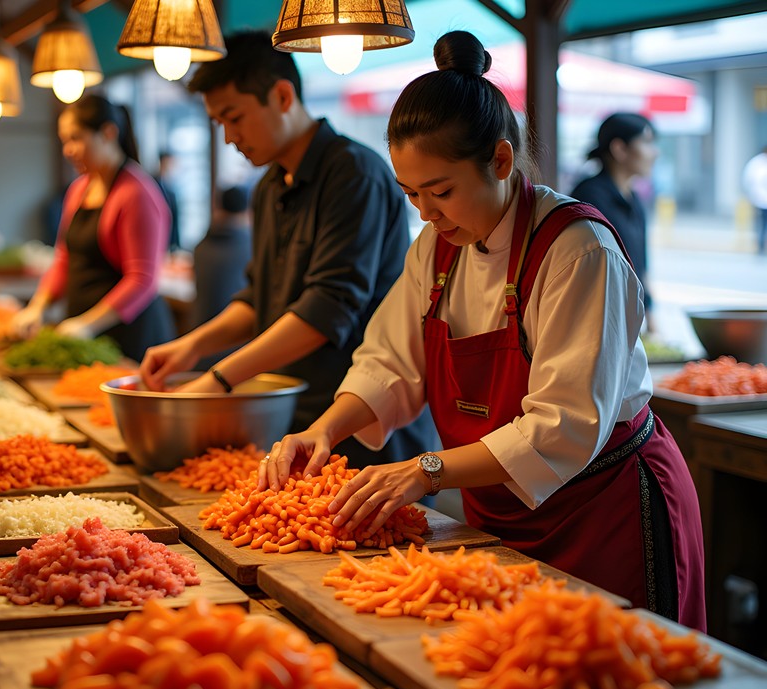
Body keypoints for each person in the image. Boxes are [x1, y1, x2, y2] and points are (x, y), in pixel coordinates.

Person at [260, 31, 706, 631]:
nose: (425, 212)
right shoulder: (437, 246)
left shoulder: (578, 250)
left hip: (604, 510)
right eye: (411, 193)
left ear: (500, 161)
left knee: (617, 678)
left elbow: (565, 424)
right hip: (503, 515)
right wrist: (322, 430)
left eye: (440, 191)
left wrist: (424, 470)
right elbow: (389, 362)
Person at [140, 30, 434, 469]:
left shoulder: (353, 174)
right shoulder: (269, 186)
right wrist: (191, 347)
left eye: (233, 117)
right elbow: (260, 298)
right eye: (219, 123)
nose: (228, 138)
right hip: (292, 411)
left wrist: (219, 378)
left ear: (281, 96)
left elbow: (327, 308)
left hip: (361, 418)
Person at [11, 94, 175, 362]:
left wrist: (88, 324)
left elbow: (142, 280)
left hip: (128, 338)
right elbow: (64, 258)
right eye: (64, 141)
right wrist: (37, 307)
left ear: (108, 133)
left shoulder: (137, 193)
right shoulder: (79, 189)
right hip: (84, 333)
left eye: (75, 138)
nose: (67, 150)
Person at [570, 113, 659, 332]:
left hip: (625, 320)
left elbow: (640, 266)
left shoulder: (634, 199)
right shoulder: (589, 195)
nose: (655, 153)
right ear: (619, 149)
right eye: (647, 142)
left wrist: (652, 322)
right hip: (595, 322)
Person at [192, 185, 251, 326]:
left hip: (199, 327)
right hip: (234, 333)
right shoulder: (248, 247)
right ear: (246, 212)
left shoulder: (201, 247)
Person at [154, 150, 182, 252]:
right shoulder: (153, 184)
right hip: (159, 239)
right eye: (169, 163)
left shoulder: (171, 189)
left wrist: (177, 245)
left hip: (170, 242)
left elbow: (175, 219)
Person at [743, 145, 767, 254]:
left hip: (759, 199)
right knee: (761, 224)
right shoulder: (757, 163)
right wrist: (751, 196)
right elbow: (749, 180)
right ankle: (760, 245)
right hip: (759, 200)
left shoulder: (756, 163)